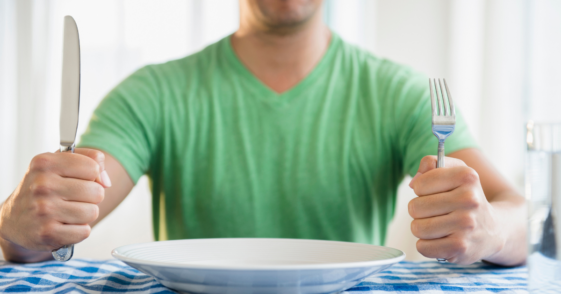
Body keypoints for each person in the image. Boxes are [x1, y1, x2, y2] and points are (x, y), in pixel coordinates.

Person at [0, 0, 525, 265]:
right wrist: (17, 225)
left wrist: (492, 231)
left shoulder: (401, 92)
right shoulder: (152, 93)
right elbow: (57, 218)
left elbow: (515, 212)